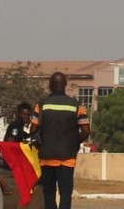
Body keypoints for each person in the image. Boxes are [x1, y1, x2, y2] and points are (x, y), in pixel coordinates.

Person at [31, 72, 90, 209]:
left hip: (46, 157)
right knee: (65, 194)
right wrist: (74, 142)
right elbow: (86, 131)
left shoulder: (41, 105)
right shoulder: (76, 106)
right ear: (65, 85)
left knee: (48, 192)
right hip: (67, 158)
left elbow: (33, 129)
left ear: (50, 85)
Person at [0, 102, 34, 174]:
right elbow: (10, 144)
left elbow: (26, 136)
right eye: (24, 114)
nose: (26, 117)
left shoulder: (20, 127)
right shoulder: (15, 126)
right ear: (18, 114)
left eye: (28, 115)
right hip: (11, 161)